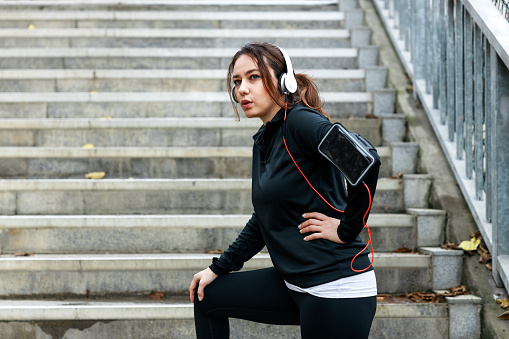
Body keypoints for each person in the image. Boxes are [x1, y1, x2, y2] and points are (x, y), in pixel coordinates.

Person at [189, 42, 380, 339]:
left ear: (283, 80)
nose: (242, 89)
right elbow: (264, 217)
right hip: (295, 282)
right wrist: (219, 268)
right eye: (237, 81)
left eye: (253, 77)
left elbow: (364, 162)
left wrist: (347, 228)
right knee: (207, 295)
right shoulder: (266, 137)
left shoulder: (301, 122)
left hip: (335, 285)